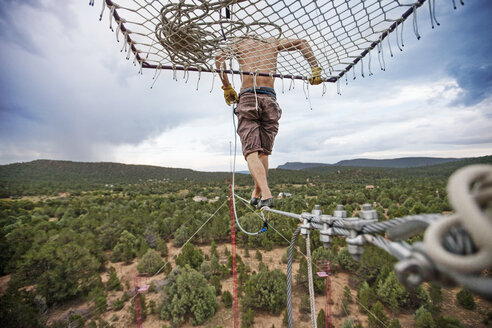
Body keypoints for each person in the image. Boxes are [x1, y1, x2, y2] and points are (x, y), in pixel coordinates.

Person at [215, 37, 322, 209]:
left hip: (249, 96)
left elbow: (219, 58)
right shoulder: (272, 42)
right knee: (263, 152)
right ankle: (257, 192)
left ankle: (266, 194)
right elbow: (302, 42)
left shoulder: (239, 43)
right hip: (269, 98)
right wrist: (315, 68)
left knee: (251, 151)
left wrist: (227, 86)